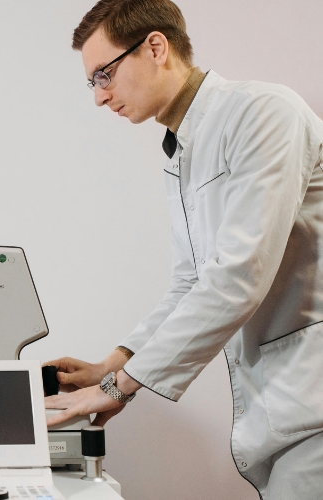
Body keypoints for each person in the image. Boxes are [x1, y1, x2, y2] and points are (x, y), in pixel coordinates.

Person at [44, 0, 323, 498]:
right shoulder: (182, 149)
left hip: (314, 401)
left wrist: (118, 387)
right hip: (281, 406)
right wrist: (113, 363)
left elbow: (238, 275)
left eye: (103, 75)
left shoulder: (262, 112)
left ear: (155, 47)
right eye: (93, 82)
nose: (99, 97)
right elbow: (191, 281)